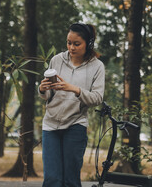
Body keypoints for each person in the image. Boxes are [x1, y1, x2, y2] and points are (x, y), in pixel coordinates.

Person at [38, 23, 105, 187]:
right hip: (51, 124)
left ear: (88, 44)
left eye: (76, 44)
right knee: (52, 179)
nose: (71, 47)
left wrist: (74, 89)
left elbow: (97, 98)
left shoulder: (97, 67)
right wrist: (41, 89)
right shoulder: (57, 60)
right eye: (69, 43)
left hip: (76, 125)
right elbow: (48, 96)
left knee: (70, 180)